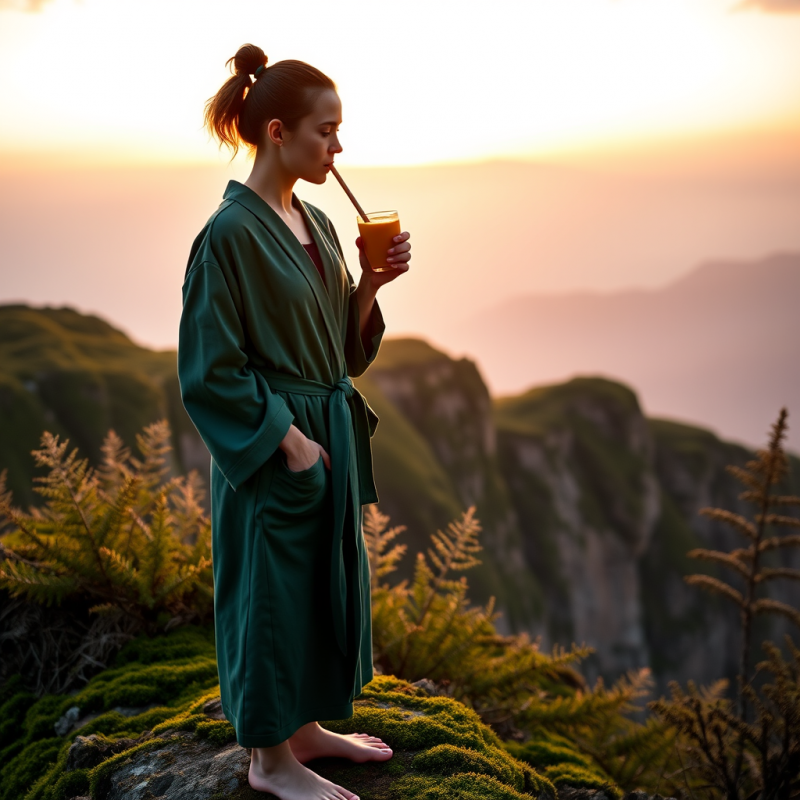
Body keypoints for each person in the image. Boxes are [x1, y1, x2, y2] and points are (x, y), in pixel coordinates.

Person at [177, 43, 410, 800]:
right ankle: (270, 760)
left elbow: (339, 349)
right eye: (325, 131)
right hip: (277, 437)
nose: (337, 148)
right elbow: (210, 370)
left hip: (325, 423)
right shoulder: (228, 236)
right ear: (276, 132)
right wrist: (291, 442)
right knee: (270, 594)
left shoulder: (316, 220)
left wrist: (369, 285)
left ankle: (306, 728)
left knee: (319, 582)